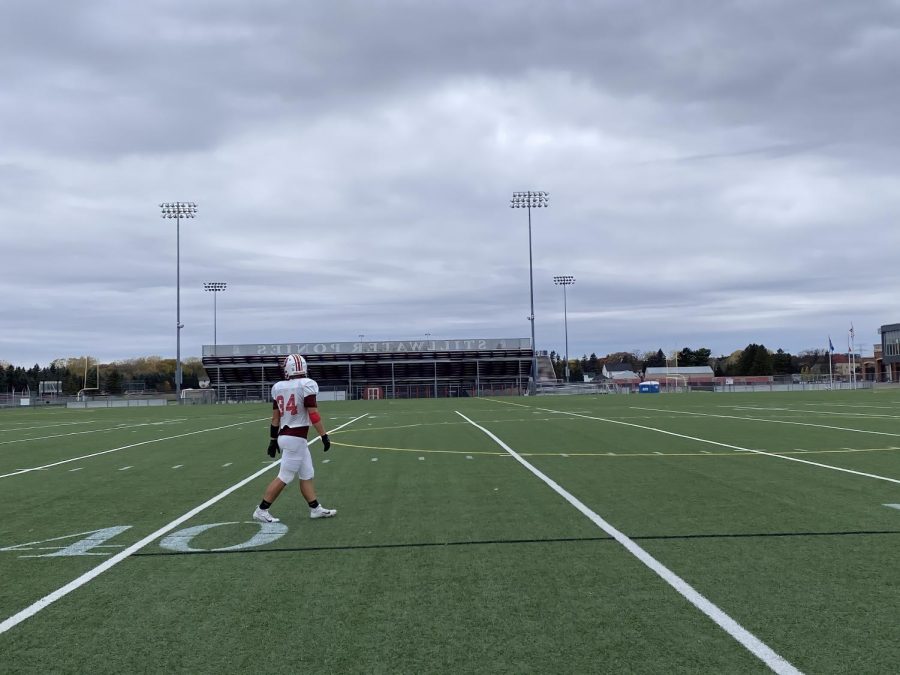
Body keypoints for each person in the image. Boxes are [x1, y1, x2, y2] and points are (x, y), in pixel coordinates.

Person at [252, 354, 336, 523]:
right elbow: (313, 414)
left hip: (287, 435)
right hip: (295, 437)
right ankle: (262, 510)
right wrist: (324, 435)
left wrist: (272, 439)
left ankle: (315, 509)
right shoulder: (307, 384)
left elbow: (275, 419)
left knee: (307, 473)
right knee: (285, 476)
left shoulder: (278, 387)